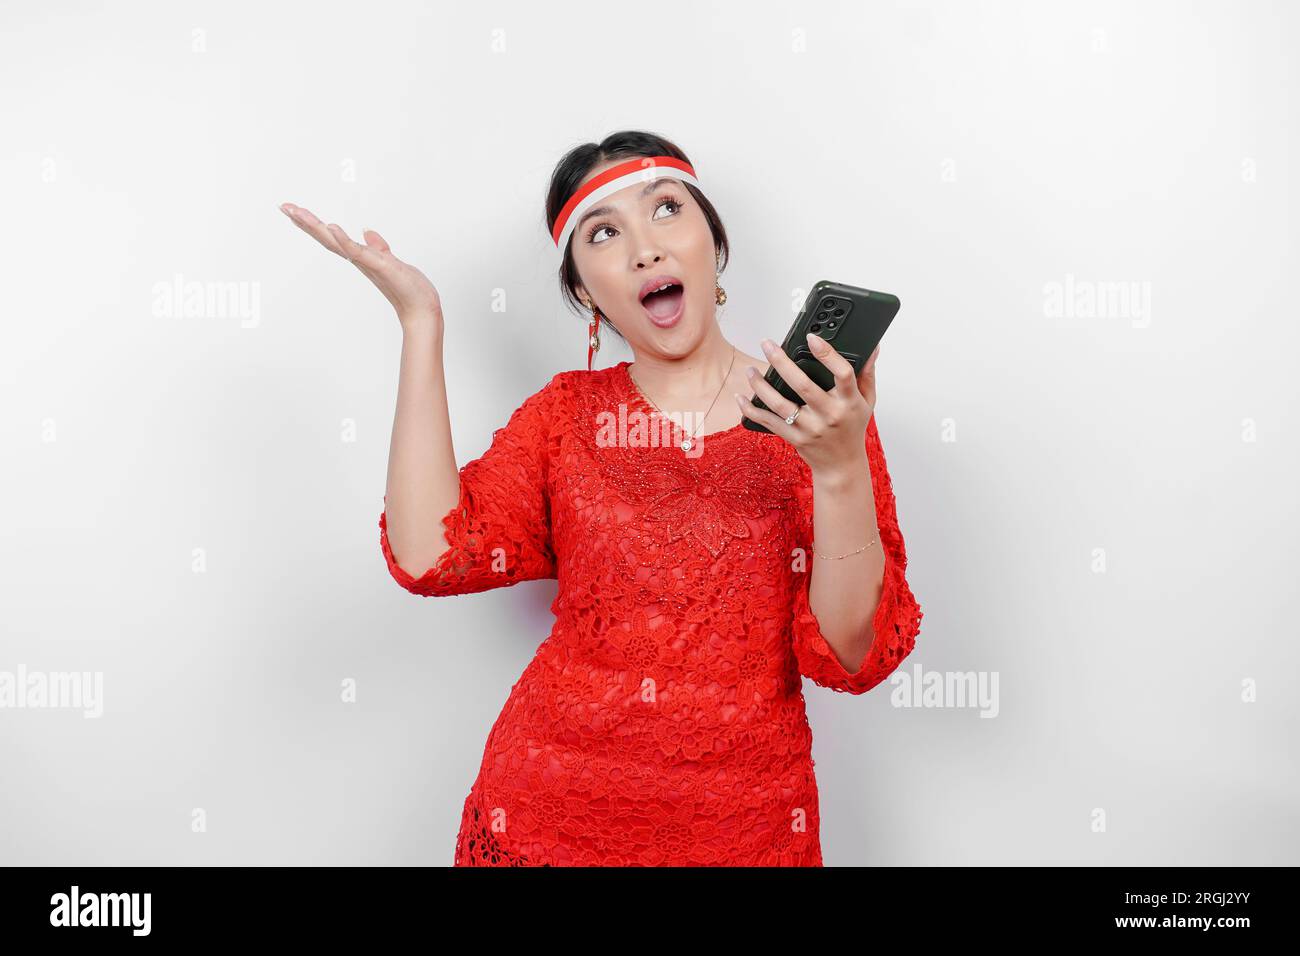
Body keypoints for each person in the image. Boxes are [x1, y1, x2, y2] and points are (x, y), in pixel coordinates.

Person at [279, 130, 923, 866]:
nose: (644, 249)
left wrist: (840, 469)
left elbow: (851, 654)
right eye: (605, 232)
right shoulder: (565, 419)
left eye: (667, 210)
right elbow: (428, 555)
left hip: (742, 832)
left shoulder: (821, 418)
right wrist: (421, 324)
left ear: (715, 245)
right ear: (586, 291)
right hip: (549, 817)